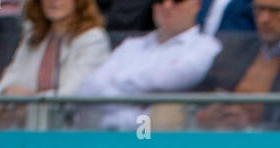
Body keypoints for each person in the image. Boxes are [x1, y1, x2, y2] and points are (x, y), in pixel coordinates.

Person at [78, 0, 220, 129]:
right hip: (110, 139)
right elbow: (89, 87)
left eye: (178, 0)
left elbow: (171, 79)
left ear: (197, 4)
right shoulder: (131, 45)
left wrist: (116, 82)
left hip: (162, 145)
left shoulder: (205, 46)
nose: (167, 5)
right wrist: (141, 99)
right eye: (159, 0)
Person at [196, 0, 280, 129]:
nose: (264, 19)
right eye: (258, 9)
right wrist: (205, 113)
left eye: (275, 11)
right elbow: (198, 96)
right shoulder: (233, 47)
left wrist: (253, 124)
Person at [0, 0, 110, 123]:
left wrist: (29, 98)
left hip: (72, 128)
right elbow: (10, 79)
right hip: (32, 126)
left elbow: (73, 94)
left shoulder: (93, 39)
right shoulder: (34, 36)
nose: (53, 1)